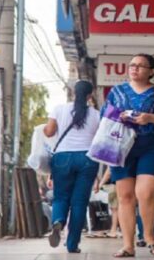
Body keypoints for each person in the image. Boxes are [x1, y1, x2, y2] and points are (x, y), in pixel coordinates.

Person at [103, 53, 154, 258]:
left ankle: (149, 235)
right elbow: (105, 115)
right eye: (132, 65)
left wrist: (150, 118)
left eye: (140, 66)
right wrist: (119, 116)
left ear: (151, 71)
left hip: (152, 145)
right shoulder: (117, 91)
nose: (135, 68)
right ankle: (128, 245)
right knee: (125, 196)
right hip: (121, 145)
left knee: (146, 193)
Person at [44, 80, 101, 254]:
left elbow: (49, 132)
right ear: (90, 96)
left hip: (62, 157)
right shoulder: (97, 115)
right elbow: (100, 140)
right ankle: (72, 244)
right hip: (87, 158)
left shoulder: (59, 109)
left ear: (73, 93)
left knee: (61, 197)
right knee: (79, 203)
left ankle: (58, 221)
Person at [95, 167, 120, 238]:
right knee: (114, 209)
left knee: (102, 208)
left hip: (108, 185)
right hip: (114, 184)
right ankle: (113, 230)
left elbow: (108, 171)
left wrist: (100, 184)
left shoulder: (107, 158)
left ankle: (101, 230)